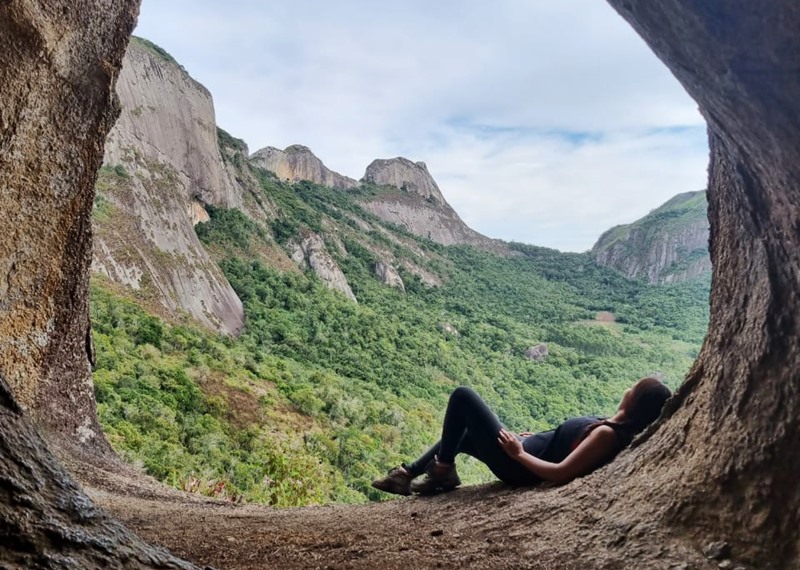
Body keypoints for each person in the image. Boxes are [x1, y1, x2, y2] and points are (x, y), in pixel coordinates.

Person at [372, 377, 672, 496]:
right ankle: (415, 473)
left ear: (635, 401)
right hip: (522, 451)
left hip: (518, 466)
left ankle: (437, 471)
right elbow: (561, 442)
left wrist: (519, 452)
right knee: (461, 432)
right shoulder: (608, 423)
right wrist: (532, 438)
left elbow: (561, 472)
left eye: (634, 389)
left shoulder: (608, 434)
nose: (627, 389)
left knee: (463, 396)